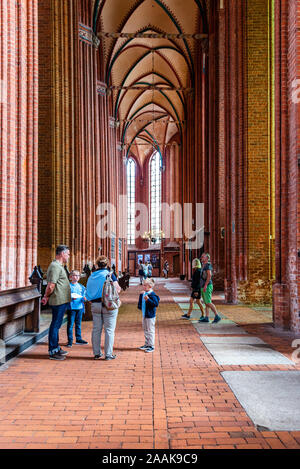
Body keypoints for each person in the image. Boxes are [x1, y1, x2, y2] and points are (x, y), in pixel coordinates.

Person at [86, 256, 121, 360]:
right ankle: (108, 355)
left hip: (95, 305)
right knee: (109, 330)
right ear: (107, 264)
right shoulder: (110, 275)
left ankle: (97, 353)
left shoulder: (92, 275)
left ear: (97, 264)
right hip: (109, 305)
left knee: (96, 329)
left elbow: (88, 292)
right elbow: (117, 289)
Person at [41, 245, 71, 360]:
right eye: (67, 254)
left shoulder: (59, 266)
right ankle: (52, 351)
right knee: (55, 325)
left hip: (61, 300)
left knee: (57, 325)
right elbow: (51, 285)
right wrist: (46, 296)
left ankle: (57, 348)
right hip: (58, 301)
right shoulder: (55, 266)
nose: (68, 256)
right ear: (62, 254)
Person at [137, 278, 160, 353]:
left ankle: (151, 345)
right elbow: (140, 304)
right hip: (144, 314)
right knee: (145, 329)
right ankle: (147, 344)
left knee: (150, 330)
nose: (143, 286)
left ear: (150, 286)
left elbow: (155, 304)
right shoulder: (144, 294)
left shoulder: (152, 295)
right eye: (143, 285)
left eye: (145, 285)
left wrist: (148, 300)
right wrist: (141, 296)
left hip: (150, 316)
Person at [67, 270, 88, 347]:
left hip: (80, 307)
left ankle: (78, 339)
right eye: (74, 275)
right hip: (71, 307)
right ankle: (70, 340)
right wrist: (70, 298)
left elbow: (84, 296)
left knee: (78, 324)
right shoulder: (68, 286)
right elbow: (65, 296)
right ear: (70, 277)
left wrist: (85, 298)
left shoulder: (82, 287)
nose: (76, 277)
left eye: (78, 275)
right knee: (70, 324)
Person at [198, 253, 221, 323]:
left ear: (207, 258)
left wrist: (205, 285)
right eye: (201, 256)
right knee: (206, 302)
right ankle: (206, 317)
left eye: (203, 256)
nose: (201, 257)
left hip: (207, 286)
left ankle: (217, 316)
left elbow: (209, 275)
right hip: (203, 286)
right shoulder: (203, 265)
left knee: (208, 302)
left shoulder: (208, 265)